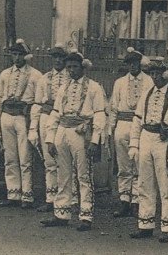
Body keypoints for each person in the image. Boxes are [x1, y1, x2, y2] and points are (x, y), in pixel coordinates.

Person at [40, 50, 107, 232]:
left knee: (84, 175)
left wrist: (94, 141)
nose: (71, 70)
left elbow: (100, 114)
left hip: (81, 132)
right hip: (63, 130)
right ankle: (61, 213)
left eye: (75, 67)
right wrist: (50, 139)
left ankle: (86, 215)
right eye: (69, 67)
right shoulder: (63, 87)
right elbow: (55, 113)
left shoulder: (94, 88)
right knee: (63, 173)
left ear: (82, 67)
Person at [129, 56, 168, 243]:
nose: (155, 77)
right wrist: (134, 143)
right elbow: (138, 120)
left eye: (158, 73)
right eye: (152, 73)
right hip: (147, 137)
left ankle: (167, 227)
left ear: (166, 74)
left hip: (165, 141)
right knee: (145, 183)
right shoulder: (147, 94)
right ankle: (145, 224)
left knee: (166, 184)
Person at [0, 39, 39, 208]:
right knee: (9, 156)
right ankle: (13, 193)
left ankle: (27, 195)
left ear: (26, 56)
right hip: (6, 116)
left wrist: (33, 125)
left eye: (20, 55)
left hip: (23, 117)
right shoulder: (5, 74)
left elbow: (37, 102)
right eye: (14, 54)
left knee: (25, 157)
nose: (17, 58)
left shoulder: (35, 75)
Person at [107, 47, 153, 218]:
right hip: (122, 124)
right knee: (124, 165)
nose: (132, 66)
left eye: (135, 63)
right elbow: (113, 107)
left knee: (140, 164)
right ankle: (124, 199)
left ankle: (137, 200)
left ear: (140, 64)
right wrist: (111, 129)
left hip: (140, 125)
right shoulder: (119, 82)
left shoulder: (149, 81)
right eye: (129, 63)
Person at [29, 44, 69, 212]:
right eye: (55, 57)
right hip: (46, 117)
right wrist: (32, 128)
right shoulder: (44, 78)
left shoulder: (70, 78)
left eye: (61, 57)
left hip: (64, 119)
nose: (58, 60)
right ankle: (50, 198)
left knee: (65, 160)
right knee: (49, 160)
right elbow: (37, 104)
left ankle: (67, 199)